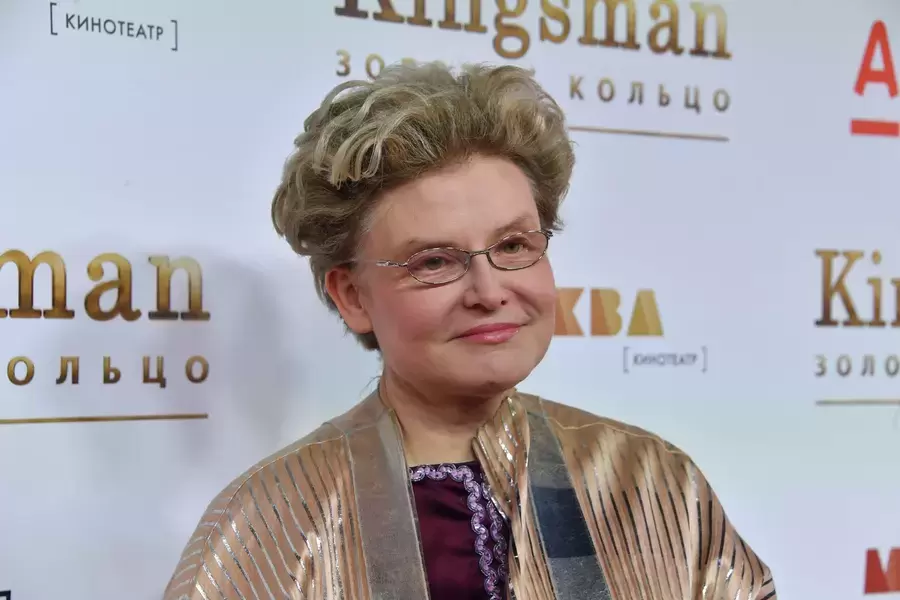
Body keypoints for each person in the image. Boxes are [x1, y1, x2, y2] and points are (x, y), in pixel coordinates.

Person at [162, 61, 777, 600]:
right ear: (352, 296)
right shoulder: (269, 524)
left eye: (513, 246)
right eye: (434, 261)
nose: (489, 291)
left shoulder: (654, 484)